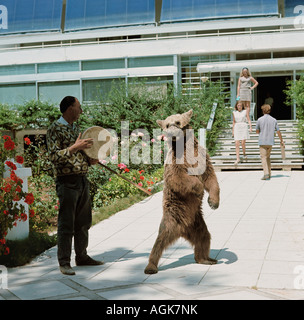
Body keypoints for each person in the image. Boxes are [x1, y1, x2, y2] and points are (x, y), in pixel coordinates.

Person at [46, 96, 103, 275]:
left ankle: (82, 257)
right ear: (70, 108)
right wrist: (74, 147)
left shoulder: (76, 128)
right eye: (79, 107)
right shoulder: (54, 129)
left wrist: (90, 158)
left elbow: (81, 151)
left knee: (83, 222)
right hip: (67, 182)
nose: (81, 111)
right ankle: (64, 262)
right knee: (66, 224)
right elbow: (54, 157)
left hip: (81, 179)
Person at [256, 104, 285, 180]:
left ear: (263, 111)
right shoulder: (274, 120)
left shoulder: (259, 120)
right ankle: (269, 172)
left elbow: (257, 131)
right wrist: (281, 140)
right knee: (268, 157)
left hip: (262, 141)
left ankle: (266, 173)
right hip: (270, 141)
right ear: (269, 110)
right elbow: (278, 131)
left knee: (263, 157)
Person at [232, 101, 252, 165]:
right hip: (237, 127)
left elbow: (248, 119)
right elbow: (234, 122)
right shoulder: (234, 113)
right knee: (237, 143)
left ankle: (244, 153)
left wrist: (250, 127)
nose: (239, 107)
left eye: (240, 105)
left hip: (243, 126)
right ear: (236, 106)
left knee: (243, 142)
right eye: (238, 105)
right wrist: (233, 131)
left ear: (242, 106)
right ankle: (238, 158)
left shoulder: (245, 111)